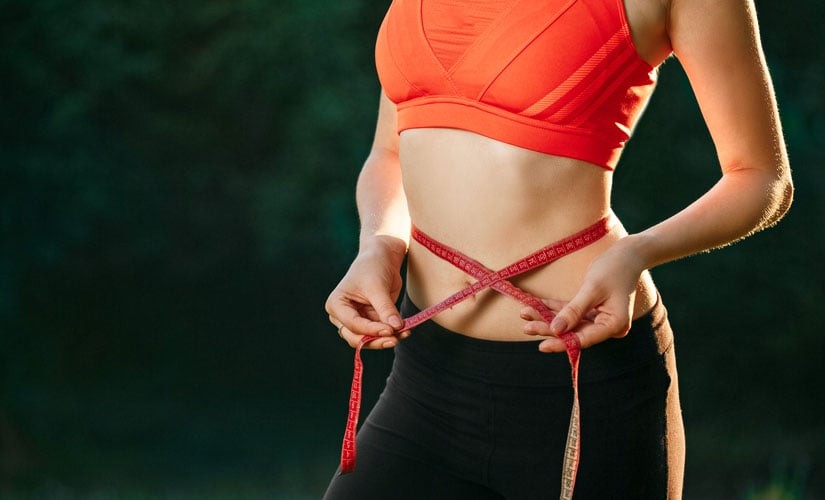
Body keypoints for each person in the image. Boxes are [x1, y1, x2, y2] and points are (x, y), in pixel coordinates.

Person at [323, 0, 793, 498]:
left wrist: (634, 254)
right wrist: (380, 242)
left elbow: (761, 178)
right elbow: (390, 154)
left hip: (586, 386)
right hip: (426, 375)